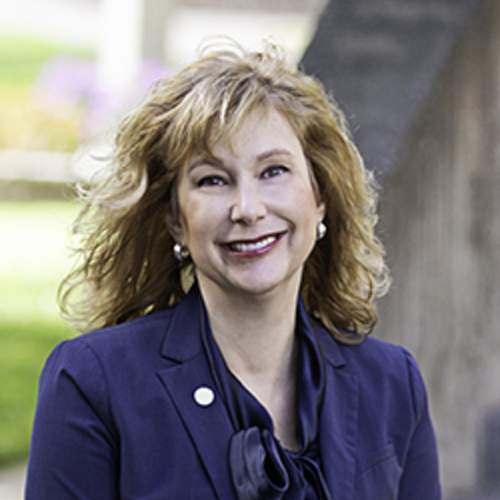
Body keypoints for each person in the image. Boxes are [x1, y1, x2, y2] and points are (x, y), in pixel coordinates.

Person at [26, 39, 441, 499]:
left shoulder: (392, 382)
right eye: (212, 180)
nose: (247, 209)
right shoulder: (92, 381)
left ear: (320, 196)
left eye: (273, 171)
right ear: (175, 219)